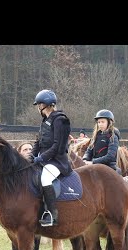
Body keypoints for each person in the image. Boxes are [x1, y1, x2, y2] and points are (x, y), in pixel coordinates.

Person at [3, 141, 44, 250]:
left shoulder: (36, 173)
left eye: (30, 149)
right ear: (19, 153)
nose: (28, 151)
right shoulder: (14, 173)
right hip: (18, 221)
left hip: (31, 221)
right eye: (24, 149)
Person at [31, 89, 72, 227]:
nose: (38, 107)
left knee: (45, 178)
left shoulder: (60, 120)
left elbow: (56, 146)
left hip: (57, 161)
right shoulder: (45, 120)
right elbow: (38, 141)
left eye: (39, 104)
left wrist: (41, 158)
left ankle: (52, 214)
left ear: (47, 104)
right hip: (44, 159)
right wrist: (31, 155)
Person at [82, 109, 121, 174]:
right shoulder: (95, 136)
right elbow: (89, 151)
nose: (100, 124)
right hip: (95, 165)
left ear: (109, 122)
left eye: (103, 122)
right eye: (99, 122)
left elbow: (110, 156)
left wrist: (93, 162)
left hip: (108, 167)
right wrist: (85, 160)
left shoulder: (113, 137)